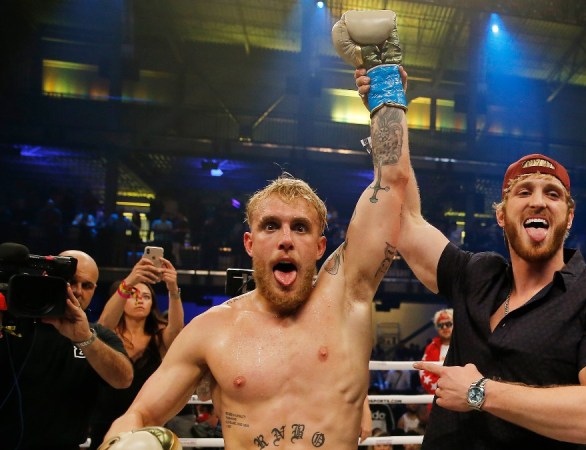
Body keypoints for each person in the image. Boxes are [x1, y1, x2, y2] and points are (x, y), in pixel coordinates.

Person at [102, 13, 411, 447]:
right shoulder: (212, 331)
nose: (285, 238)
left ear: (320, 245)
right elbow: (140, 412)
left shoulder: (348, 298)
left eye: (300, 228)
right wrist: (119, 442)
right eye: (271, 226)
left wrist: (385, 84)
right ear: (249, 243)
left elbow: (392, 185)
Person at [357, 65, 586, 449]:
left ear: (569, 216)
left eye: (552, 194)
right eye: (523, 192)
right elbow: (405, 218)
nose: (538, 201)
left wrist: (480, 392)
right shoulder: (477, 274)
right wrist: (386, 107)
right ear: (501, 215)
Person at [0, 249, 134, 449]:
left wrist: (85, 339)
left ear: (94, 289)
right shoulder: (11, 324)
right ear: (48, 279)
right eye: (71, 281)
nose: (78, 291)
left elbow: (123, 380)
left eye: (87, 285)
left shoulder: (99, 335)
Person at [88, 255, 185, 449]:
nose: (140, 299)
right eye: (133, 294)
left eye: (146, 296)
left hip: (147, 421)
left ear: (152, 304)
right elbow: (103, 325)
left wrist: (173, 289)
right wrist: (130, 281)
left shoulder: (158, 337)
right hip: (105, 417)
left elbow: (176, 330)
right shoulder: (109, 335)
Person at [419, 308, 453, 396]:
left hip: (460, 398)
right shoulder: (431, 348)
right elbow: (424, 372)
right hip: (436, 398)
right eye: (440, 325)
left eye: (448, 324)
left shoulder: (463, 345)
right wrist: (441, 388)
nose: (444, 327)